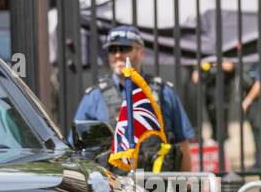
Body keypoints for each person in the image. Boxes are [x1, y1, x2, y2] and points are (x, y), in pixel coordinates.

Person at [74, 25, 195, 171]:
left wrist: (187, 191)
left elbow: (183, 144)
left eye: (124, 49)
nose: (117, 55)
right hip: (112, 188)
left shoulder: (164, 92)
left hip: (158, 187)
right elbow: (77, 149)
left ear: (141, 52)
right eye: (112, 50)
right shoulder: (94, 97)